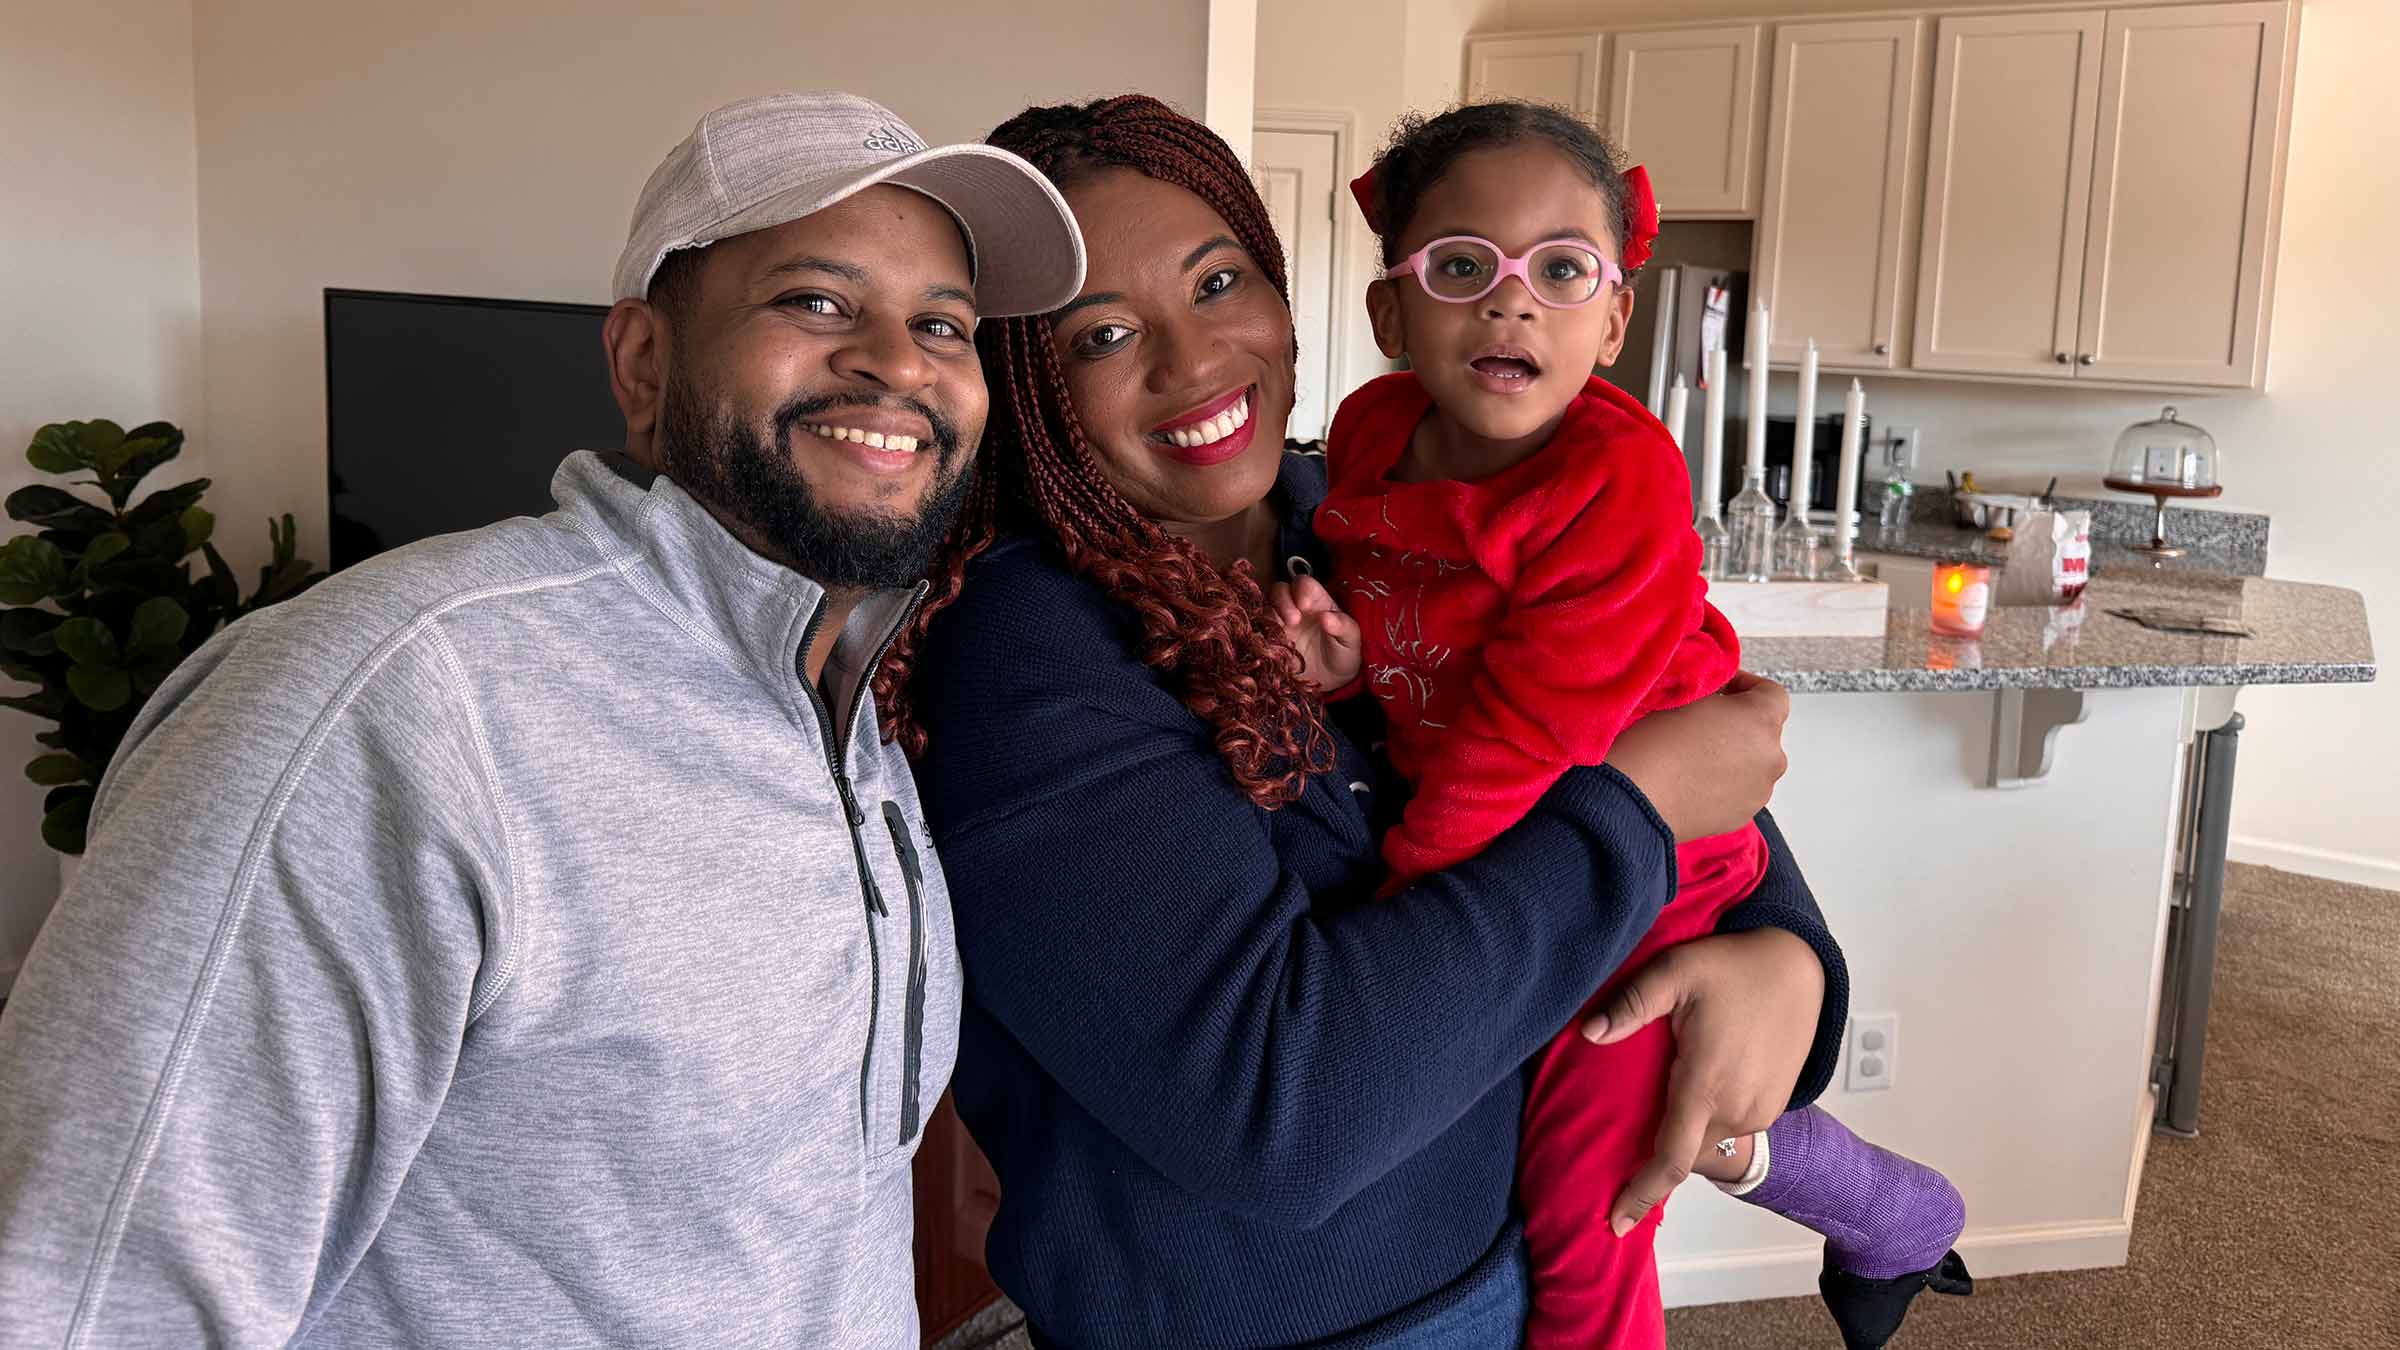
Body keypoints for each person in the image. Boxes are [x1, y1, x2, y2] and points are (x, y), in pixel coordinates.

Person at [0, 92, 1082, 1346]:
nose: (897, 363)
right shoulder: (393, 704)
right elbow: (82, 1298)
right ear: (641, 362)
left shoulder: (847, 697)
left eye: (941, 325)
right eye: (815, 301)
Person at [877, 94, 1849, 1348]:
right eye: (1102, 334)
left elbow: (1672, 730)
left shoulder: (1373, 501)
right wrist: (1638, 817)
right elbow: (1280, 1116)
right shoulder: (1026, 660)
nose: (1191, 360)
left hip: (1506, 1261)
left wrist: (1789, 957)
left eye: (1218, 282)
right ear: (1027, 383)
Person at [1280, 100, 1970, 1350]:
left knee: (1587, 1211)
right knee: (1644, 1116)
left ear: (1612, 320)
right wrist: (1346, 669)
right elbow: (1423, 652)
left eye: (1560, 270)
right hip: (1535, 839)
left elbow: (1524, 733)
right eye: (1459, 267)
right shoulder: (1368, 444)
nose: (1511, 304)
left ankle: (1883, 1211)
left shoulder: (1615, 479)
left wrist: (1411, 919)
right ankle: (1895, 1209)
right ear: (1390, 313)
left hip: (1652, 861)